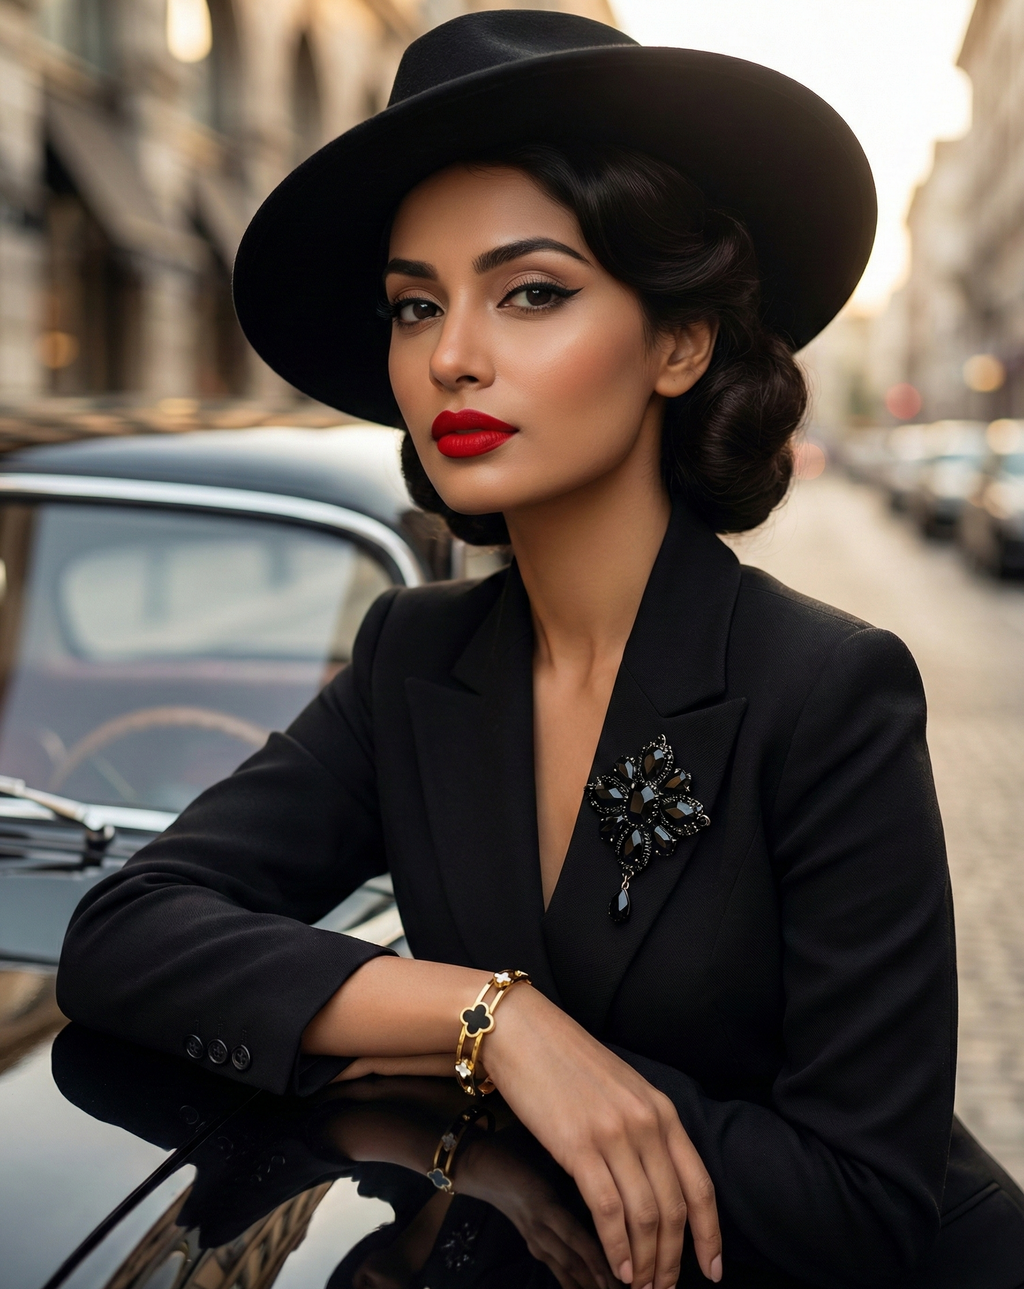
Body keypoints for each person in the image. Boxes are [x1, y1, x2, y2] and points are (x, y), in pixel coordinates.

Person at [56, 10, 1024, 1288]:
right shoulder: (414, 657)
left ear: (677, 342)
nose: (452, 356)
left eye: (531, 292)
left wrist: (531, 1084)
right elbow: (123, 932)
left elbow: (859, 1206)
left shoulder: (825, 688)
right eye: (415, 305)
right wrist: (489, 1021)